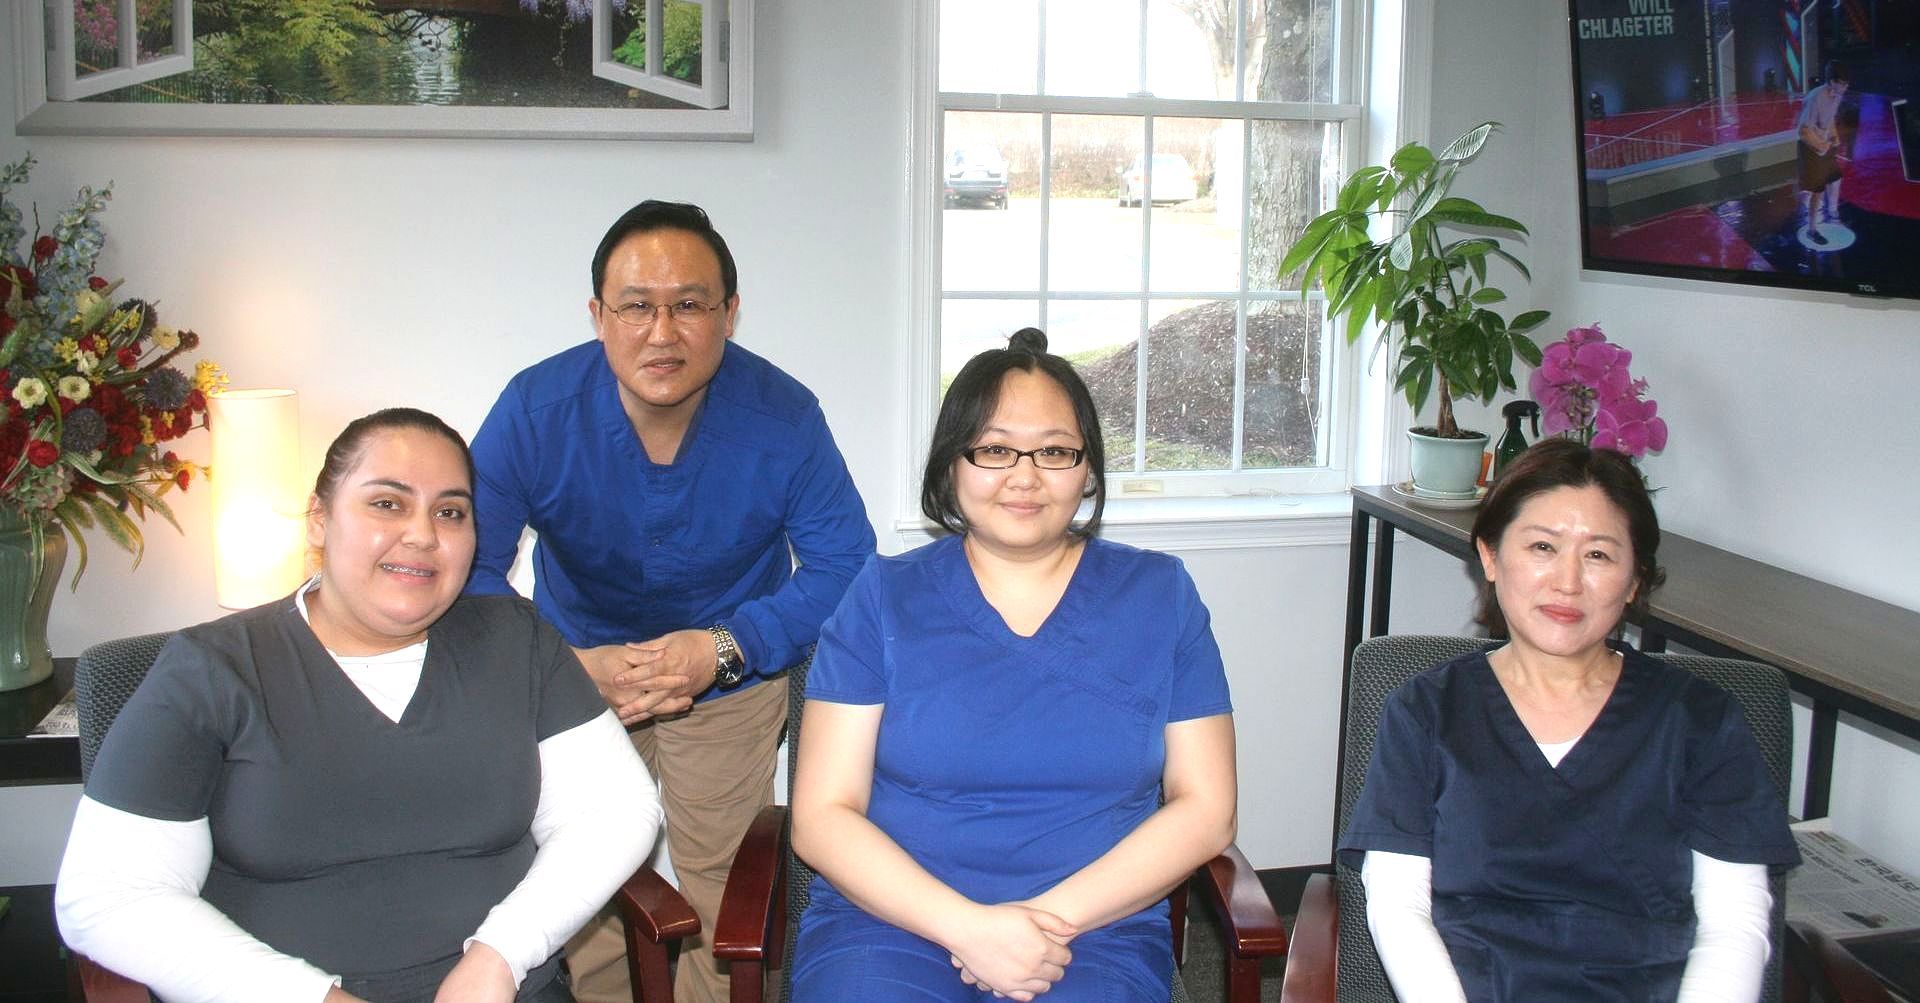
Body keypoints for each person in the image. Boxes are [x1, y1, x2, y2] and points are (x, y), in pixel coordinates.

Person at [55, 408, 660, 1003]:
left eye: (450, 512)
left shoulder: (517, 640)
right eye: (387, 503)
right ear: (319, 519)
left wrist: (500, 956)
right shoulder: (212, 670)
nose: (423, 535)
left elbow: (613, 809)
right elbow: (112, 893)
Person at [467, 200, 875, 1003]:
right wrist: (560, 663)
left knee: (726, 891)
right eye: (636, 305)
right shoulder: (533, 409)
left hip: (729, 673)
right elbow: (467, 564)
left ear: (729, 313)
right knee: (577, 880)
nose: (663, 332)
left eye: (689, 304)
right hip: (575, 675)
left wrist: (726, 645)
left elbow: (848, 567)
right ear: (597, 315)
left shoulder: (784, 416)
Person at [787, 328, 1238, 1001]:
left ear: (1087, 470)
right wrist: (967, 927)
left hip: (1094, 929)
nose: (1024, 475)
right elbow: (823, 813)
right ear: (952, 465)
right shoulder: (881, 597)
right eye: (995, 449)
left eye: (1055, 450)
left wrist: (1041, 926)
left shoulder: (1161, 596)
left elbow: (1207, 808)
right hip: (889, 920)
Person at [1339, 439, 1800, 1002]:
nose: (1568, 581)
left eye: (1599, 555)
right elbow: (1398, 903)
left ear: (1634, 581)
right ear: (1489, 556)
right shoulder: (1424, 711)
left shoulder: (1701, 721)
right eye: (1541, 546)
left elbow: (1735, 924)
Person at [1797, 60, 1851, 244]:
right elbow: (1803, 132)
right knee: (1817, 189)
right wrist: (1821, 146)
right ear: (1831, 81)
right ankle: (1812, 229)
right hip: (1810, 146)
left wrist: (1834, 135)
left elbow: (1831, 118)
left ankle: (1833, 214)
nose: (1845, 87)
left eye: (1847, 83)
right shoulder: (1815, 98)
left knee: (1835, 177)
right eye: (1841, 83)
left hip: (1825, 142)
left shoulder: (1837, 94)